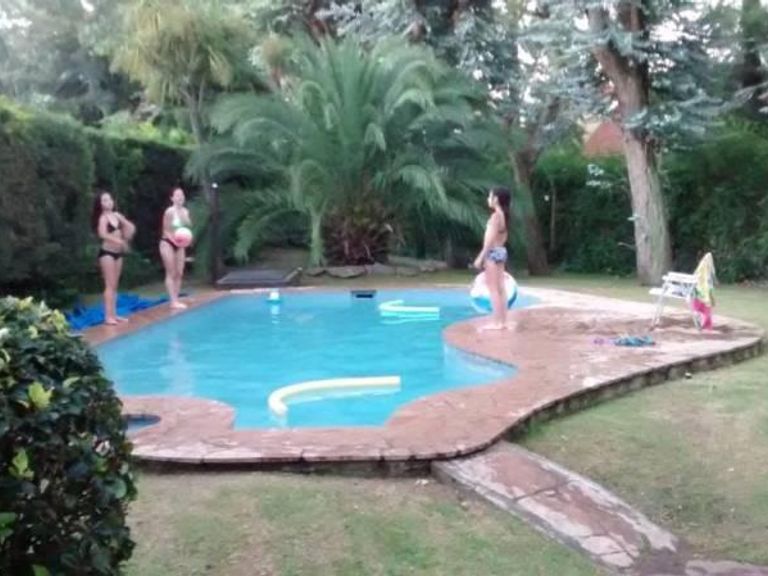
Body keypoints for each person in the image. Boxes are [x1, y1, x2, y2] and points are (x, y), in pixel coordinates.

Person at [92, 190, 135, 326]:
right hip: (107, 253)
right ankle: (108, 316)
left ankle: (114, 314)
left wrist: (126, 224)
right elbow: (102, 234)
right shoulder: (103, 218)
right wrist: (119, 241)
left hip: (118, 253)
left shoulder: (117, 215)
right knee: (109, 285)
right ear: (100, 204)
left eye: (110, 199)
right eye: (105, 200)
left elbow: (130, 228)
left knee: (115, 285)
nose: (108, 202)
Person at [473, 186, 511, 330]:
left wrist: (480, 257)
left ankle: (497, 323)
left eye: (490, 196)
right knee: (501, 288)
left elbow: (489, 240)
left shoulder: (495, 217)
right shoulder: (504, 215)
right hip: (501, 251)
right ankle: (503, 321)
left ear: (496, 199)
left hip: (492, 252)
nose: (488, 199)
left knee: (493, 289)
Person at [159, 186, 192, 309]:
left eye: (182, 195)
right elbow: (166, 230)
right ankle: (172, 301)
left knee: (179, 272)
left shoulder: (185, 211)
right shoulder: (169, 212)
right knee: (171, 272)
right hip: (168, 242)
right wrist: (175, 241)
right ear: (172, 198)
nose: (180, 197)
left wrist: (185, 240)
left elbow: (188, 227)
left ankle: (176, 299)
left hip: (180, 243)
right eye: (177, 195)